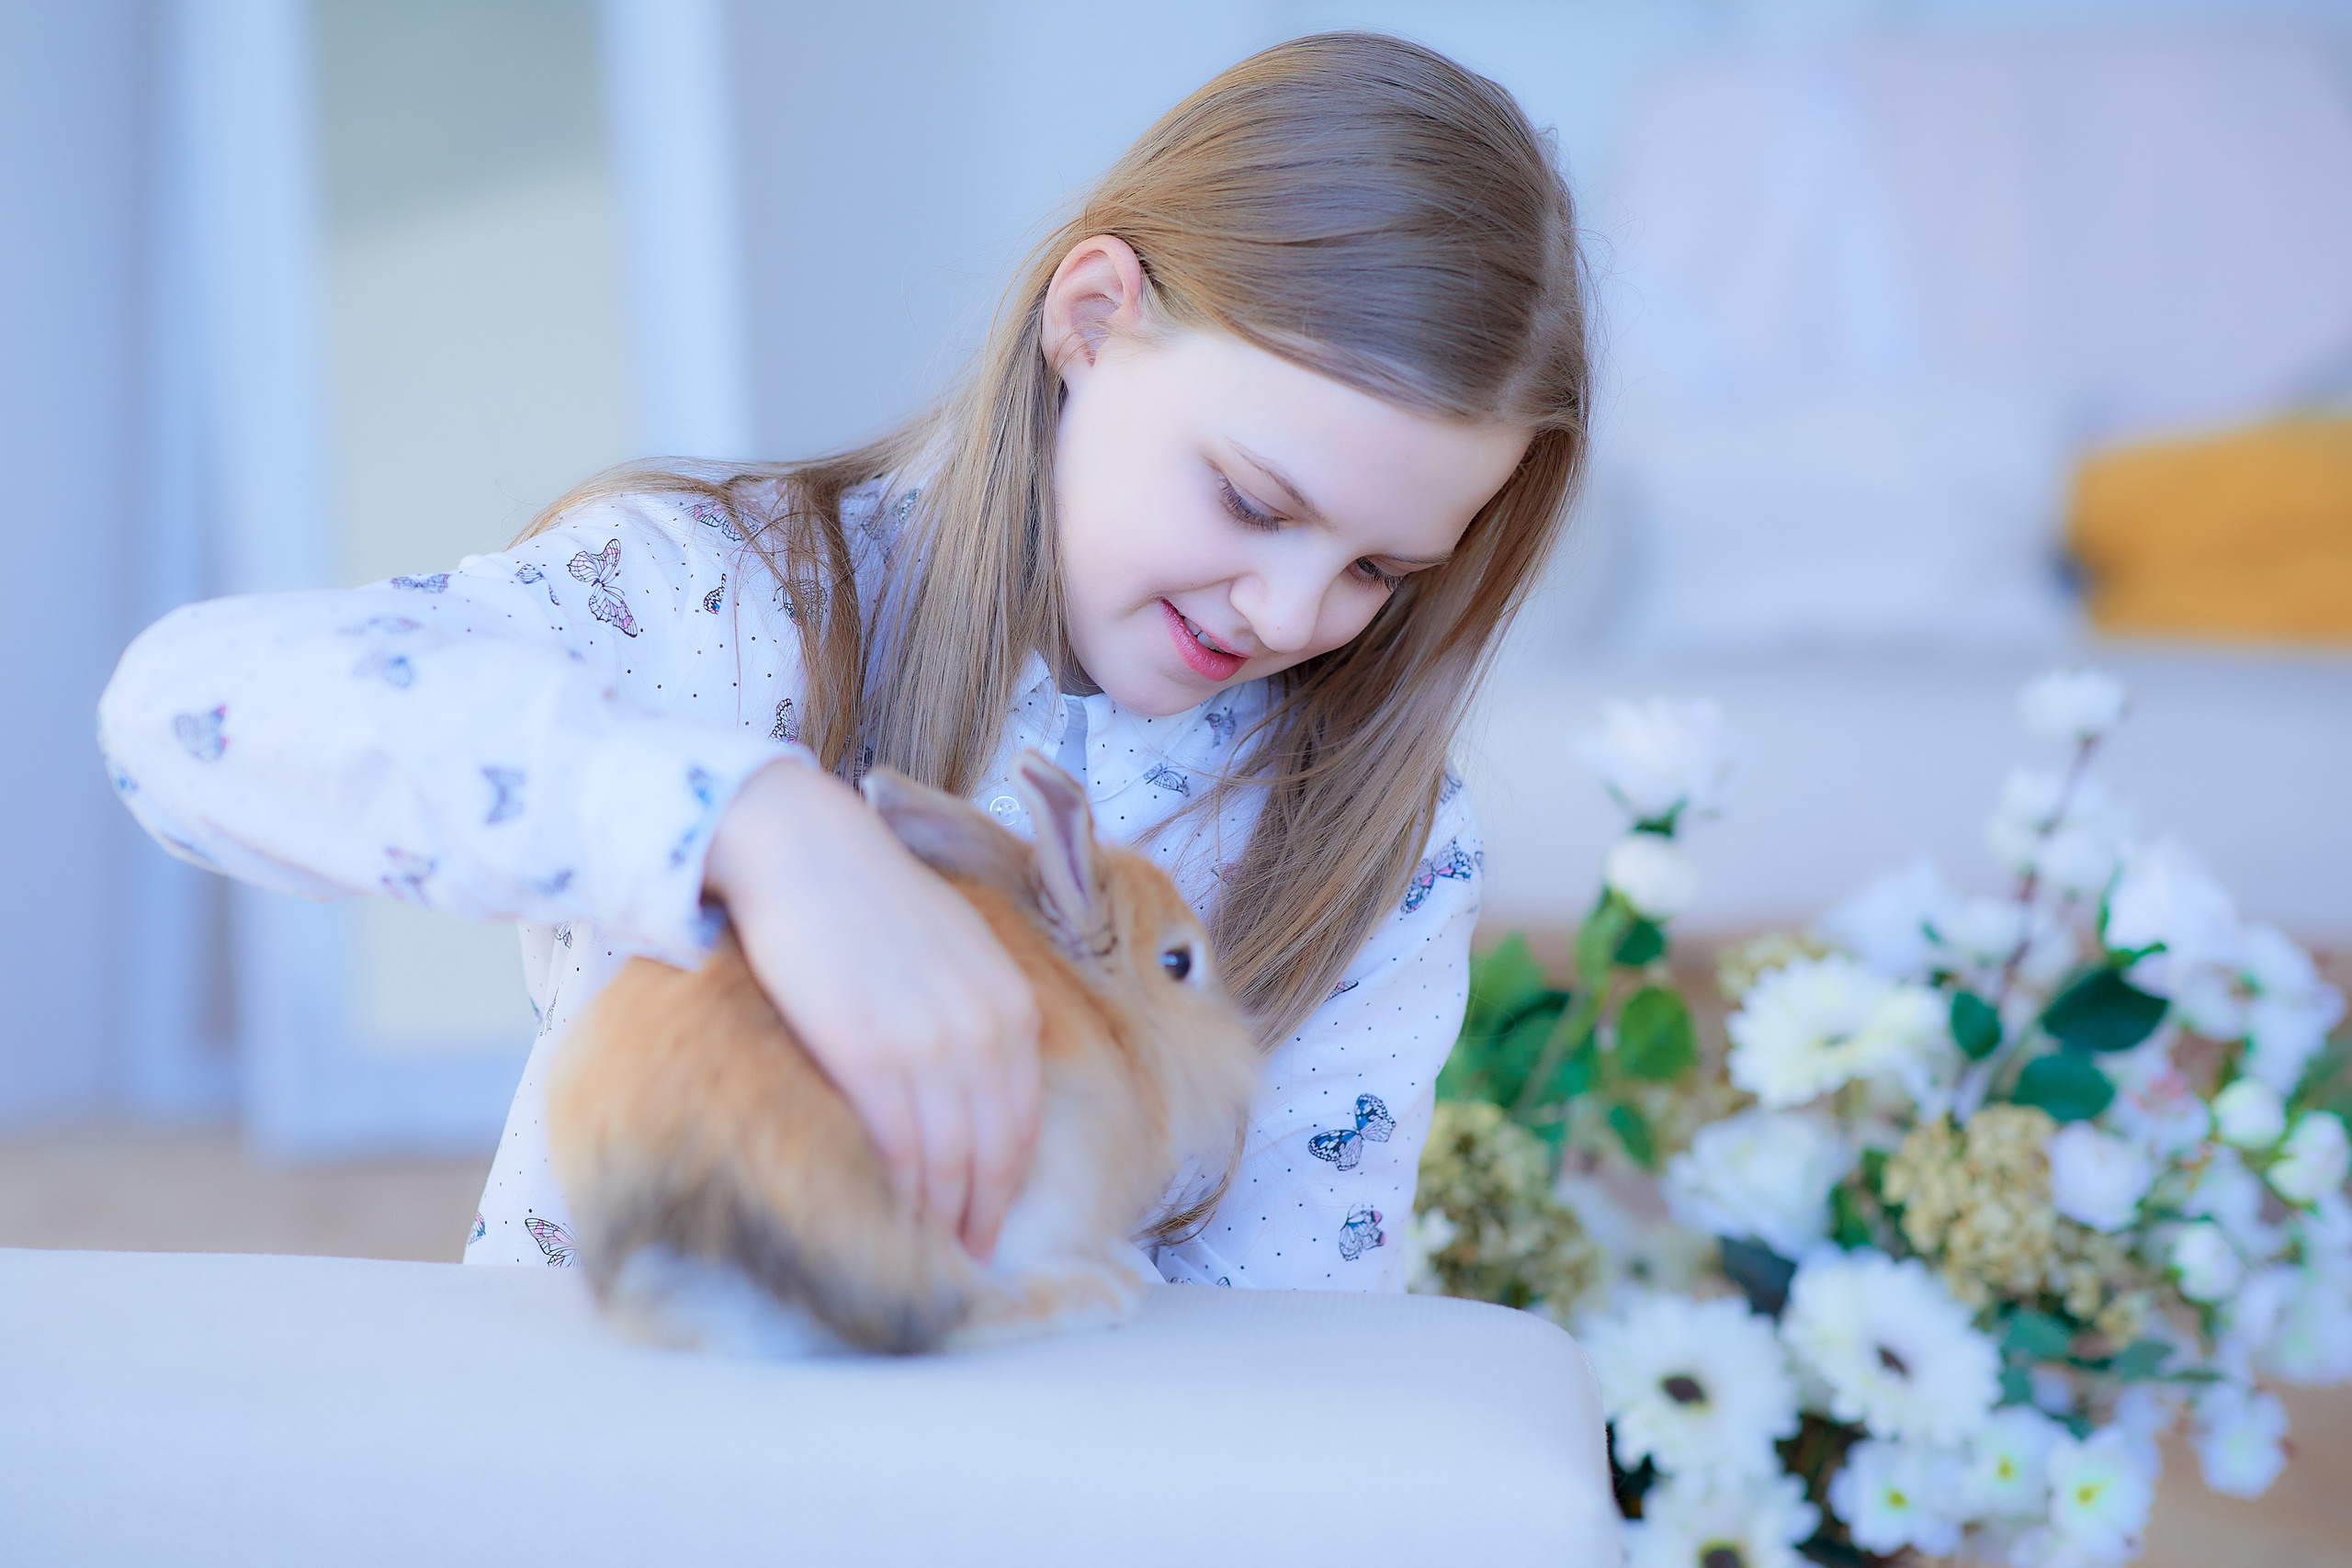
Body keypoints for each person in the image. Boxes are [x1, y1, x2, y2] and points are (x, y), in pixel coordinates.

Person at [97, 32, 1589, 1291]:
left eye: (1381, 572)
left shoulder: (1377, 839)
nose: (1289, 610)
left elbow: (1297, 1334)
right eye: (1256, 503)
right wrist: (759, 829)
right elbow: (187, 717)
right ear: (1092, 323)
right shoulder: (728, 604)